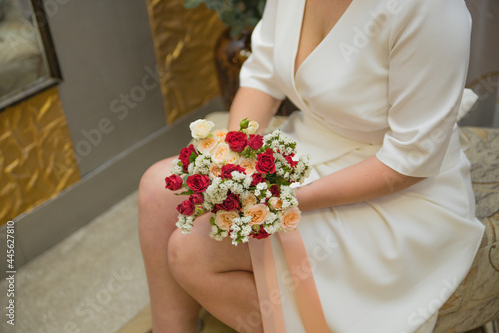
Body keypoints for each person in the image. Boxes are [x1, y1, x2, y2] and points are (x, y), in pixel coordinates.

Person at [138, 0, 485, 331]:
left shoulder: (431, 9)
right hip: (309, 146)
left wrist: (283, 200)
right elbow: (262, 76)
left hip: (396, 191)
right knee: (156, 189)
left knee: (191, 253)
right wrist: (232, 160)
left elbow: (409, 161)